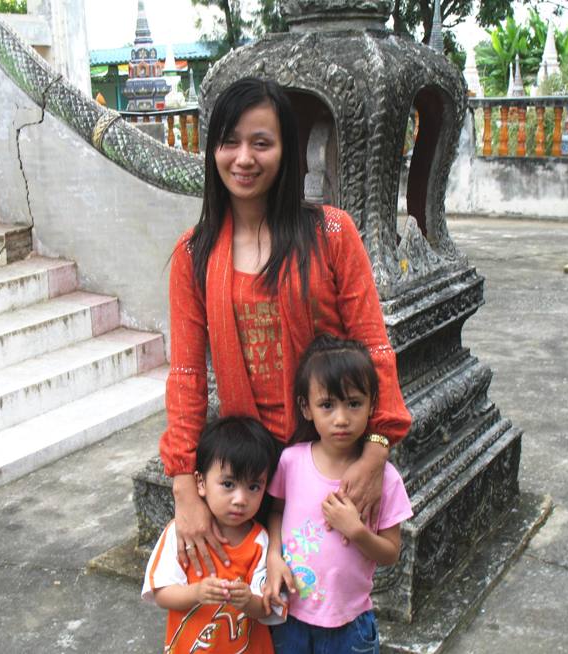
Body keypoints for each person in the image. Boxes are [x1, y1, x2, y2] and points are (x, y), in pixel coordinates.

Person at [160, 77, 412, 577]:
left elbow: (373, 348)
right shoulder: (194, 254)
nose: (243, 158)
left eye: (261, 143)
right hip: (248, 474)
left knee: (327, 596)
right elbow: (187, 375)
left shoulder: (333, 233)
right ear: (212, 150)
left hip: (328, 459)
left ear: (286, 151)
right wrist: (186, 488)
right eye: (229, 142)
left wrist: (376, 452)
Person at [263, 334, 413, 653]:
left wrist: (356, 531)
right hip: (290, 618)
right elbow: (275, 511)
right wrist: (273, 555)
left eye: (354, 403)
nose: (341, 419)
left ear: (372, 405)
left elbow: (391, 553)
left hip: (350, 625)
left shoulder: (383, 478)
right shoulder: (292, 461)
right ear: (306, 408)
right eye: (327, 405)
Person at [142, 416, 281, 654]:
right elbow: (161, 592)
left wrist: (248, 600)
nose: (240, 499)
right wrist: (197, 592)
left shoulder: (260, 541)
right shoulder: (180, 534)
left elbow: (266, 608)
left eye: (253, 487)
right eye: (228, 484)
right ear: (201, 482)